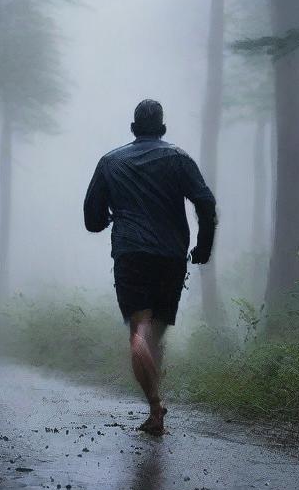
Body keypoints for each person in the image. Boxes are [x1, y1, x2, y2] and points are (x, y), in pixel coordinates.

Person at [83, 99, 217, 434]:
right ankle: (154, 405)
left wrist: (106, 220)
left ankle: (155, 405)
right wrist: (204, 245)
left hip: (131, 253)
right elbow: (205, 201)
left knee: (140, 330)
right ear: (162, 128)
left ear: (133, 128)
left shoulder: (110, 162)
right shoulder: (178, 157)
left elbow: (91, 218)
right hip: (171, 255)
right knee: (155, 334)